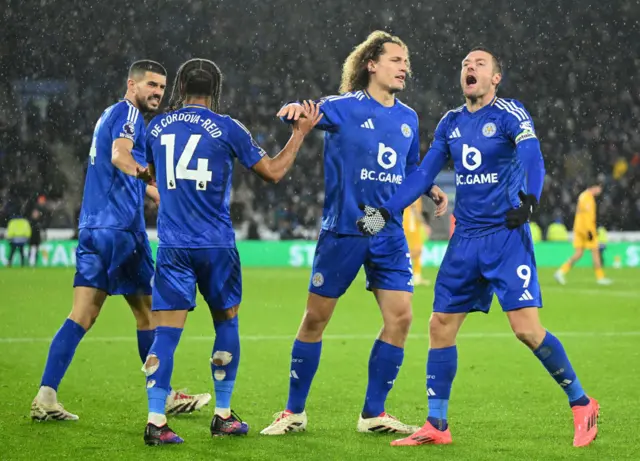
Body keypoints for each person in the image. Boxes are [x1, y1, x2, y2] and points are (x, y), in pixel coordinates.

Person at [356, 47, 599, 448]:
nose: (469, 68)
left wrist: (530, 199)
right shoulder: (451, 122)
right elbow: (421, 176)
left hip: (505, 237)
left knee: (526, 330)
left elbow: (532, 155)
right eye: (466, 64)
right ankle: (437, 424)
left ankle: (582, 402)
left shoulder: (510, 113)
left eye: (479, 64)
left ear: (495, 78)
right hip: (464, 240)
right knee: (440, 326)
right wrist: (384, 212)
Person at [260, 31, 448, 436]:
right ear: (371, 64)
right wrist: (294, 110)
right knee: (315, 319)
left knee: (400, 318)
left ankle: (373, 413)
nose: (404, 68)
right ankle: (293, 411)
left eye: (406, 62)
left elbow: (410, 166)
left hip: (386, 229)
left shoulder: (409, 118)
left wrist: (427, 185)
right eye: (396, 60)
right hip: (346, 229)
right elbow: (302, 112)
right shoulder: (342, 108)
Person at [140, 58, 322, 445]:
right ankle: (222, 414)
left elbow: (147, 175)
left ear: (180, 87)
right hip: (216, 246)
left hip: (173, 247)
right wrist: (300, 134)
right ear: (216, 90)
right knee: (226, 324)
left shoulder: (156, 127)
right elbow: (272, 172)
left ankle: (156, 420)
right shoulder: (227, 128)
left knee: (166, 335)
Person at [31, 60, 210, 422]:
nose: (158, 93)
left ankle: (45, 396)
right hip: (122, 232)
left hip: (94, 229)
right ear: (132, 84)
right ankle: (165, 394)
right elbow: (120, 155)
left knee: (82, 315)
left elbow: (119, 168)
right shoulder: (129, 114)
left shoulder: (109, 115)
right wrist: (148, 171)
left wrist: (156, 191)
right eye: (151, 86)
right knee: (150, 315)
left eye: (162, 88)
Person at [555, 184, 612, 285]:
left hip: (579, 229)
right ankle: (600, 277)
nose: (600, 191)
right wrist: (590, 231)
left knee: (578, 254)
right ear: (594, 187)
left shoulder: (583, 196)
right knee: (595, 252)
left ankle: (561, 271)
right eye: (599, 188)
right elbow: (587, 216)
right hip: (586, 230)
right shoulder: (587, 198)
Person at [403, 198, 431, 285]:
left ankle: (416, 276)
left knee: (416, 250)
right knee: (416, 250)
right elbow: (414, 209)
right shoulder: (415, 193)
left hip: (411, 225)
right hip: (411, 226)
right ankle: (397, 268)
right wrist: (424, 224)